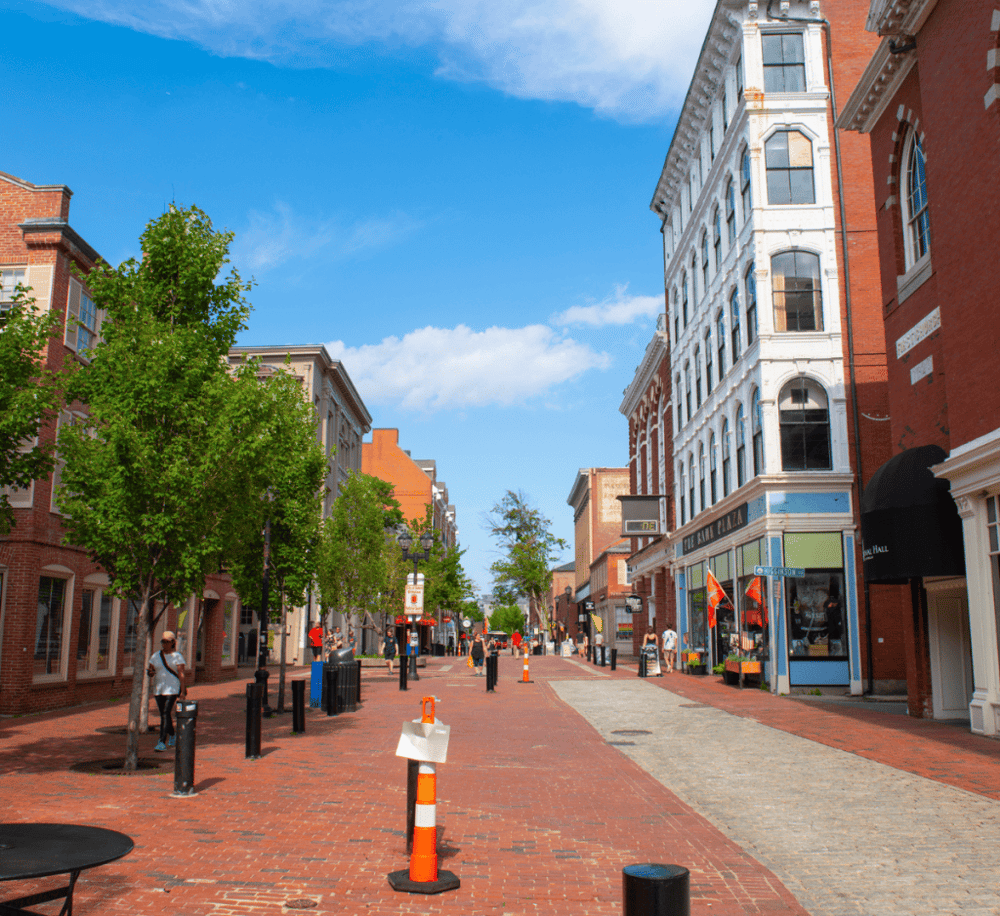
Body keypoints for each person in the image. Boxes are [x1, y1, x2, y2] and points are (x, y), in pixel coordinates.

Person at [147, 631, 186, 752]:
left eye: (167, 642)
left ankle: (161, 741)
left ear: (173, 642)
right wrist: (150, 673)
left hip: (172, 689)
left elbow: (181, 674)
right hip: (159, 689)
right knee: (165, 714)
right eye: (163, 641)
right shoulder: (155, 656)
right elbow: (150, 670)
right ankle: (173, 735)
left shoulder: (177, 656)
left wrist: (183, 691)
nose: (164, 644)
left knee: (165, 712)